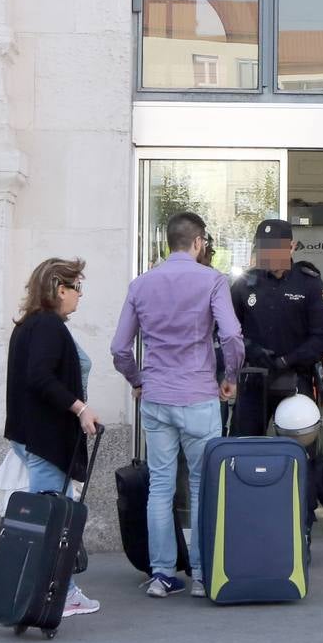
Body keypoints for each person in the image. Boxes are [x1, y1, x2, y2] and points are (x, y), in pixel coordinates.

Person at [111, 211, 244, 599]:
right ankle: (201, 574)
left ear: (169, 242)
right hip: (199, 396)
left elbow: (119, 348)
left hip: (156, 397)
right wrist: (230, 377)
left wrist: (138, 380)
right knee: (203, 486)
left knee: (161, 487)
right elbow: (232, 336)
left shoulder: (141, 285)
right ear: (199, 242)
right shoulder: (212, 280)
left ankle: (163, 574)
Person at [229, 219, 323, 534]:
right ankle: (248, 519)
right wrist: (253, 352)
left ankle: (303, 524)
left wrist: (287, 359)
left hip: (294, 380)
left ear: (291, 247)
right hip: (253, 379)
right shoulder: (244, 285)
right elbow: (230, 331)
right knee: (245, 447)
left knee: (303, 453)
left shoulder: (309, 283)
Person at [3, 257, 103, 617]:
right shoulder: (47, 326)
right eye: (77, 288)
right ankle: (60, 594)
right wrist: (80, 408)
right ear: (60, 289)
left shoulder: (32, 324)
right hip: (46, 438)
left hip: (38, 435)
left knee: (49, 517)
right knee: (53, 521)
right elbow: (41, 378)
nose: (79, 296)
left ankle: (49, 591)